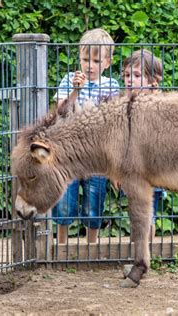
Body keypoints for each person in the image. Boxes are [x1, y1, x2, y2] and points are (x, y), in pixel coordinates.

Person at [53, 28, 120, 244]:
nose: (89, 65)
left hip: (97, 156)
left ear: (107, 63)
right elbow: (61, 111)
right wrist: (76, 90)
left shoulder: (112, 85)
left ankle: (92, 246)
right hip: (69, 154)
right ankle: (61, 246)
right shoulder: (69, 80)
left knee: (94, 201)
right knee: (65, 201)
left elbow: (113, 121)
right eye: (84, 59)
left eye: (95, 60)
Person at [122, 49, 165, 240]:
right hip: (131, 173)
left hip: (153, 171)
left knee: (148, 216)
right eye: (127, 75)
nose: (130, 80)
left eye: (137, 75)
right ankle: (139, 255)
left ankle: (146, 253)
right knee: (136, 215)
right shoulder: (124, 104)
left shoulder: (159, 104)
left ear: (153, 81)